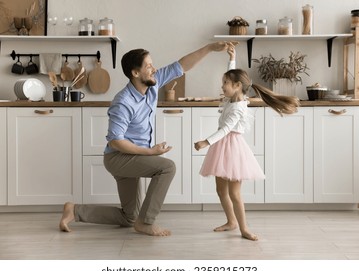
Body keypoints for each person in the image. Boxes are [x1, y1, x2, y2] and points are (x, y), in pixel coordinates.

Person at [59, 41, 230, 236]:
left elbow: (181, 65)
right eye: (148, 66)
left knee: (128, 217)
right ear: (135, 73)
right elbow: (116, 141)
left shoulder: (152, 85)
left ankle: (74, 210)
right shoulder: (123, 102)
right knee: (167, 167)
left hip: (133, 156)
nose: (154, 69)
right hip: (118, 157)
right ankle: (147, 223)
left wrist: (209, 48)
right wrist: (151, 152)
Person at [194, 44, 300, 241]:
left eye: (225, 82)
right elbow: (233, 77)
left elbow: (226, 130)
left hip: (232, 149)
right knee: (220, 190)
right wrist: (232, 58)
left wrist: (205, 142)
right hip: (221, 147)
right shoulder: (232, 99)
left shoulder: (237, 107)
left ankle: (244, 228)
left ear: (236, 86)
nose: (222, 85)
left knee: (234, 193)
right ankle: (231, 221)